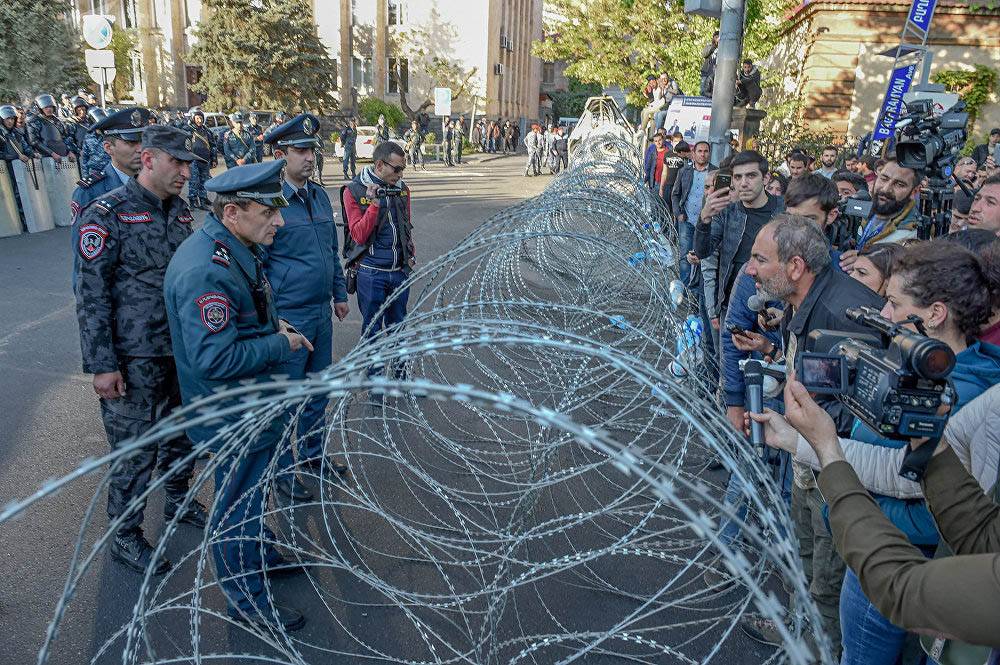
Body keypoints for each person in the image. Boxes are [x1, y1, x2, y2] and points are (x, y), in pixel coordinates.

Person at [164, 159, 313, 632]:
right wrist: (280, 343)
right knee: (236, 510)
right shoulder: (206, 270)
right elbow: (215, 359)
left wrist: (274, 325)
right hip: (232, 413)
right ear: (232, 212)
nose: (280, 221)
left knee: (248, 498)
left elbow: (243, 316)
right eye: (268, 213)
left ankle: (259, 556)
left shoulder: (232, 248)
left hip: (251, 406)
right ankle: (247, 603)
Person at [750, 377, 1000, 652]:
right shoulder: (993, 404)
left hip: (916, 574)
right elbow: (982, 531)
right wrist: (802, 442)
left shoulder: (971, 385)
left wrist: (828, 451)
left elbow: (903, 591)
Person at [735, 213, 885, 651]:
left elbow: (865, 414)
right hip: (805, 463)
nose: (750, 270)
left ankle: (816, 652)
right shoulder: (803, 301)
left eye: (760, 260)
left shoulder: (846, 315)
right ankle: (798, 634)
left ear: (795, 266)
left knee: (827, 586)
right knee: (803, 565)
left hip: (834, 475)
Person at [71, 124, 208, 575]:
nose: (186, 172)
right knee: (134, 452)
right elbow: (91, 295)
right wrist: (102, 364)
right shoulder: (106, 213)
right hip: (133, 359)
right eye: (178, 162)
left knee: (182, 434)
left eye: (189, 164)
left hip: (179, 352)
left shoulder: (180, 212)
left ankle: (178, 501)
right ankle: (125, 536)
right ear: (148, 160)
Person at [263, 114, 350, 501]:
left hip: (319, 313)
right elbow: (258, 267)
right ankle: (281, 470)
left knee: (318, 391)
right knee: (286, 397)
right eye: (301, 150)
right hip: (288, 317)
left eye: (312, 150)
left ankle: (312, 456)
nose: (309, 157)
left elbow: (329, 251)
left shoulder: (316, 195)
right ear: (281, 155)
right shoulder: (269, 200)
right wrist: (272, 318)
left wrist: (340, 294)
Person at [694, 150, 783, 337]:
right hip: (732, 302)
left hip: (774, 303)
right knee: (727, 362)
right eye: (738, 177)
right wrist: (704, 218)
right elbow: (703, 252)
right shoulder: (728, 212)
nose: (744, 183)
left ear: (766, 178)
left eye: (751, 176)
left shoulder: (784, 211)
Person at [340, 141, 414, 351]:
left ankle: (401, 379)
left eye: (403, 169)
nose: (400, 175)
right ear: (380, 165)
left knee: (399, 331)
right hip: (371, 274)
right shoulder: (353, 190)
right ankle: (374, 379)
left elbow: (406, 227)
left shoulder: (402, 189)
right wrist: (374, 205)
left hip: (399, 272)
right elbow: (358, 234)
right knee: (372, 332)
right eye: (397, 169)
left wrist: (409, 254)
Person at [838, 157, 921, 274]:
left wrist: (868, 263)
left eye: (899, 184)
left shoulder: (914, 235)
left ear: (914, 192)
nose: (886, 189)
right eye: (884, 178)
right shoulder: (864, 212)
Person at [70, 108, 150, 220]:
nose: (141, 149)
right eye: (131, 143)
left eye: (143, 141)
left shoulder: (155, 184)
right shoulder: (89, 193)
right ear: (108, 148)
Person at [672, 141, 716, 284]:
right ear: (694, 153)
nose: (703, 154)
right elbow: (675, 194)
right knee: (685, 255)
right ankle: (685, 290)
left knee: (703, 257)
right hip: (687, 220)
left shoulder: (715, 173)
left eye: (706, 151)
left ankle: (698, 289)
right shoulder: (684, 171)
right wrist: (678, 213)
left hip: (706, 223)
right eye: (700, 151)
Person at [0, 104, 35, 230]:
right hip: (6, 171)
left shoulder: (17, 133)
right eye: (7, 119)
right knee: (11, 197)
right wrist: (14, 157)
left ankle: (26, 220)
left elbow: (26, 148)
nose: (10, 121)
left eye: (12, 118)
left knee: (22, 194)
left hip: (20, 170)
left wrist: (31, 154)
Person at [27, 93, 76, 163]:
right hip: (46, 159)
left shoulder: (57, 121)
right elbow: (34, 142)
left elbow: (65, 138)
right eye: (46, 107)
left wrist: (69, 151)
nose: (49, 109)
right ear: (40, 108)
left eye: (51, 107)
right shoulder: (34, 121)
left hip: (63, 157)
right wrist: (52, 153)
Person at [186, 109, 217, 210]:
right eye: (197, 118)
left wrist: (214, 159)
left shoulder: (207, 131)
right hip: (193, 160)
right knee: (194, 181)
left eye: (201, 118)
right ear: (193, 119)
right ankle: (192, 201)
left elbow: (213, 146)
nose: (199, 120)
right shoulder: (188, 130)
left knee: (204, 180)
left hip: (205, 159)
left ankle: (203, 201)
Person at [80, 107, 111, 176]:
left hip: (109, 171)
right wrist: (85, 176)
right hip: (93, 172)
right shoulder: (88, 137)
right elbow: (85, 157)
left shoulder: (111, 136)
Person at [659, 140, 689, 214]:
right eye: (675, 141)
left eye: (678, 141)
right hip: (668, 185)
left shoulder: (686, 158)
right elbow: (664, 172)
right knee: (666, 208)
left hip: (680, 187)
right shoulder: (668, 154)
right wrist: (661, 188)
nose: (676, 143)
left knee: (677, 209)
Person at [700, 31, 719, 96]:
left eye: (718, 37)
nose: (717, 39)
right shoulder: (709, 46)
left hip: (715, 74)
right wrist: (714, 46)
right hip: (706, 71)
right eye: (716, 37)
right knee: (703, 91)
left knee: (713, 92)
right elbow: (704, 54)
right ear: (713, 38)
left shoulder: (722, 48)